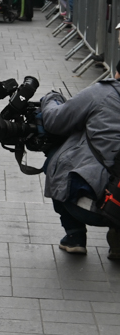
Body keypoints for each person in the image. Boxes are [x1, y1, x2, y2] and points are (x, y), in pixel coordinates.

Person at [39, 76, 120, 258]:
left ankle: (74, 234)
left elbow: (55, 121)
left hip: (95, 210)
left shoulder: (102, 92)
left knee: (57, 158)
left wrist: (51, 98)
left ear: (117, 74)